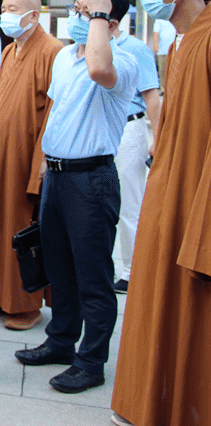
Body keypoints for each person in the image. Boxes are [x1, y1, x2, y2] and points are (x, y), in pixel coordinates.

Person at [15, 0, 139, 395]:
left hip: (92, 179)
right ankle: (61, 341)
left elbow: (101, 72)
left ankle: (92, 361)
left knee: (92, 274)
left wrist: (101, 16)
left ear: (111, 22)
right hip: (57, 174)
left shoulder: (123, 59)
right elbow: (57, 114)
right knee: (60, 269)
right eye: (82, 10)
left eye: (89, 12)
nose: (78, 17)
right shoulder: (66, 57)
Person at [112, 0, 211, 426]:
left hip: (196, 201)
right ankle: (154, 400)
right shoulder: (180, 42)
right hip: (170, 188)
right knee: (155, 300)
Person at [0, 0, 63, 331]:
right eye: (3, 8)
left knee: (22, 226)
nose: (5, 15)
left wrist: (41, 163)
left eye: (13, 8)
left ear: (34, 15)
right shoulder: (8, 50)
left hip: (27, 155)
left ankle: (26, 303)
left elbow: (55, 112)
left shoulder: (53, 51)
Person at [111, 15, 161, 294]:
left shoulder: (136, 49)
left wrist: (159, 139)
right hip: (106, 129)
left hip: (130, 127)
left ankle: (132, 271)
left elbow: (152, 95)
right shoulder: (95, 47)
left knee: (130, 201)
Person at [151, 17, 175, 90]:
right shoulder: (159, 19)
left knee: (173, 69)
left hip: (174, 49)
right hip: (162, 50)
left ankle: (172, 88)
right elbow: (156, 33)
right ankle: (163, 88)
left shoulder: (174, 18)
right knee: (163, 70)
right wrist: (156, 45)